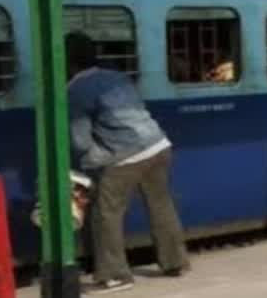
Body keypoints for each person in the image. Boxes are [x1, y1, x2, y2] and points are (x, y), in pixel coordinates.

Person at [66, 31, 189, 294]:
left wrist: (92, 163)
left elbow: (80, 141)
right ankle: (175, 262)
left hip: (125, 155)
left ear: (68, 62)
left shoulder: (76, 90)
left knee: (106, 214)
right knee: (161, 205)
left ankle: (115, 276)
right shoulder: (116, 76)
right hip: (158, 144)